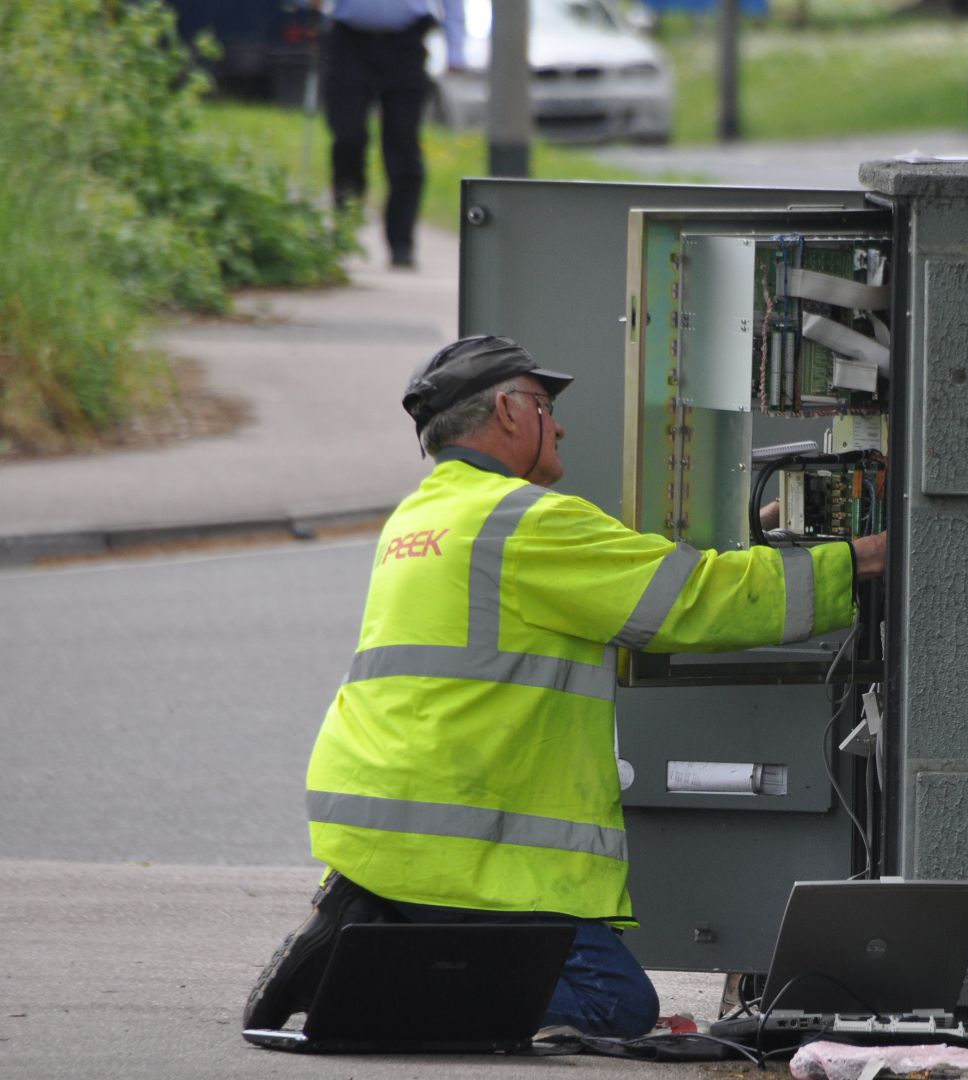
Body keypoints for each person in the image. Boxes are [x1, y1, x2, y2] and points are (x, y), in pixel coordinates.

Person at [244, 335, 886, 1036]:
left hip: (386, 820)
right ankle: (350, 978)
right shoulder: (523, 523)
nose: (560, 427)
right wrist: (858, 560)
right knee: (615, 1006)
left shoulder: (423, 517)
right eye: (546, 407)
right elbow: (692, 599)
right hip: (458, 846)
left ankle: (369, 919)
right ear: (507, 411)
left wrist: (752, 531)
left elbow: (625, 574)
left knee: (550, 982)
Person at [318, 0, 467, 269]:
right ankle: (345, 231)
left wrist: (455, 50)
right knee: (348, 139)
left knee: (404, 148)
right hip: (349, 42)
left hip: (405, 42)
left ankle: (401, 243)